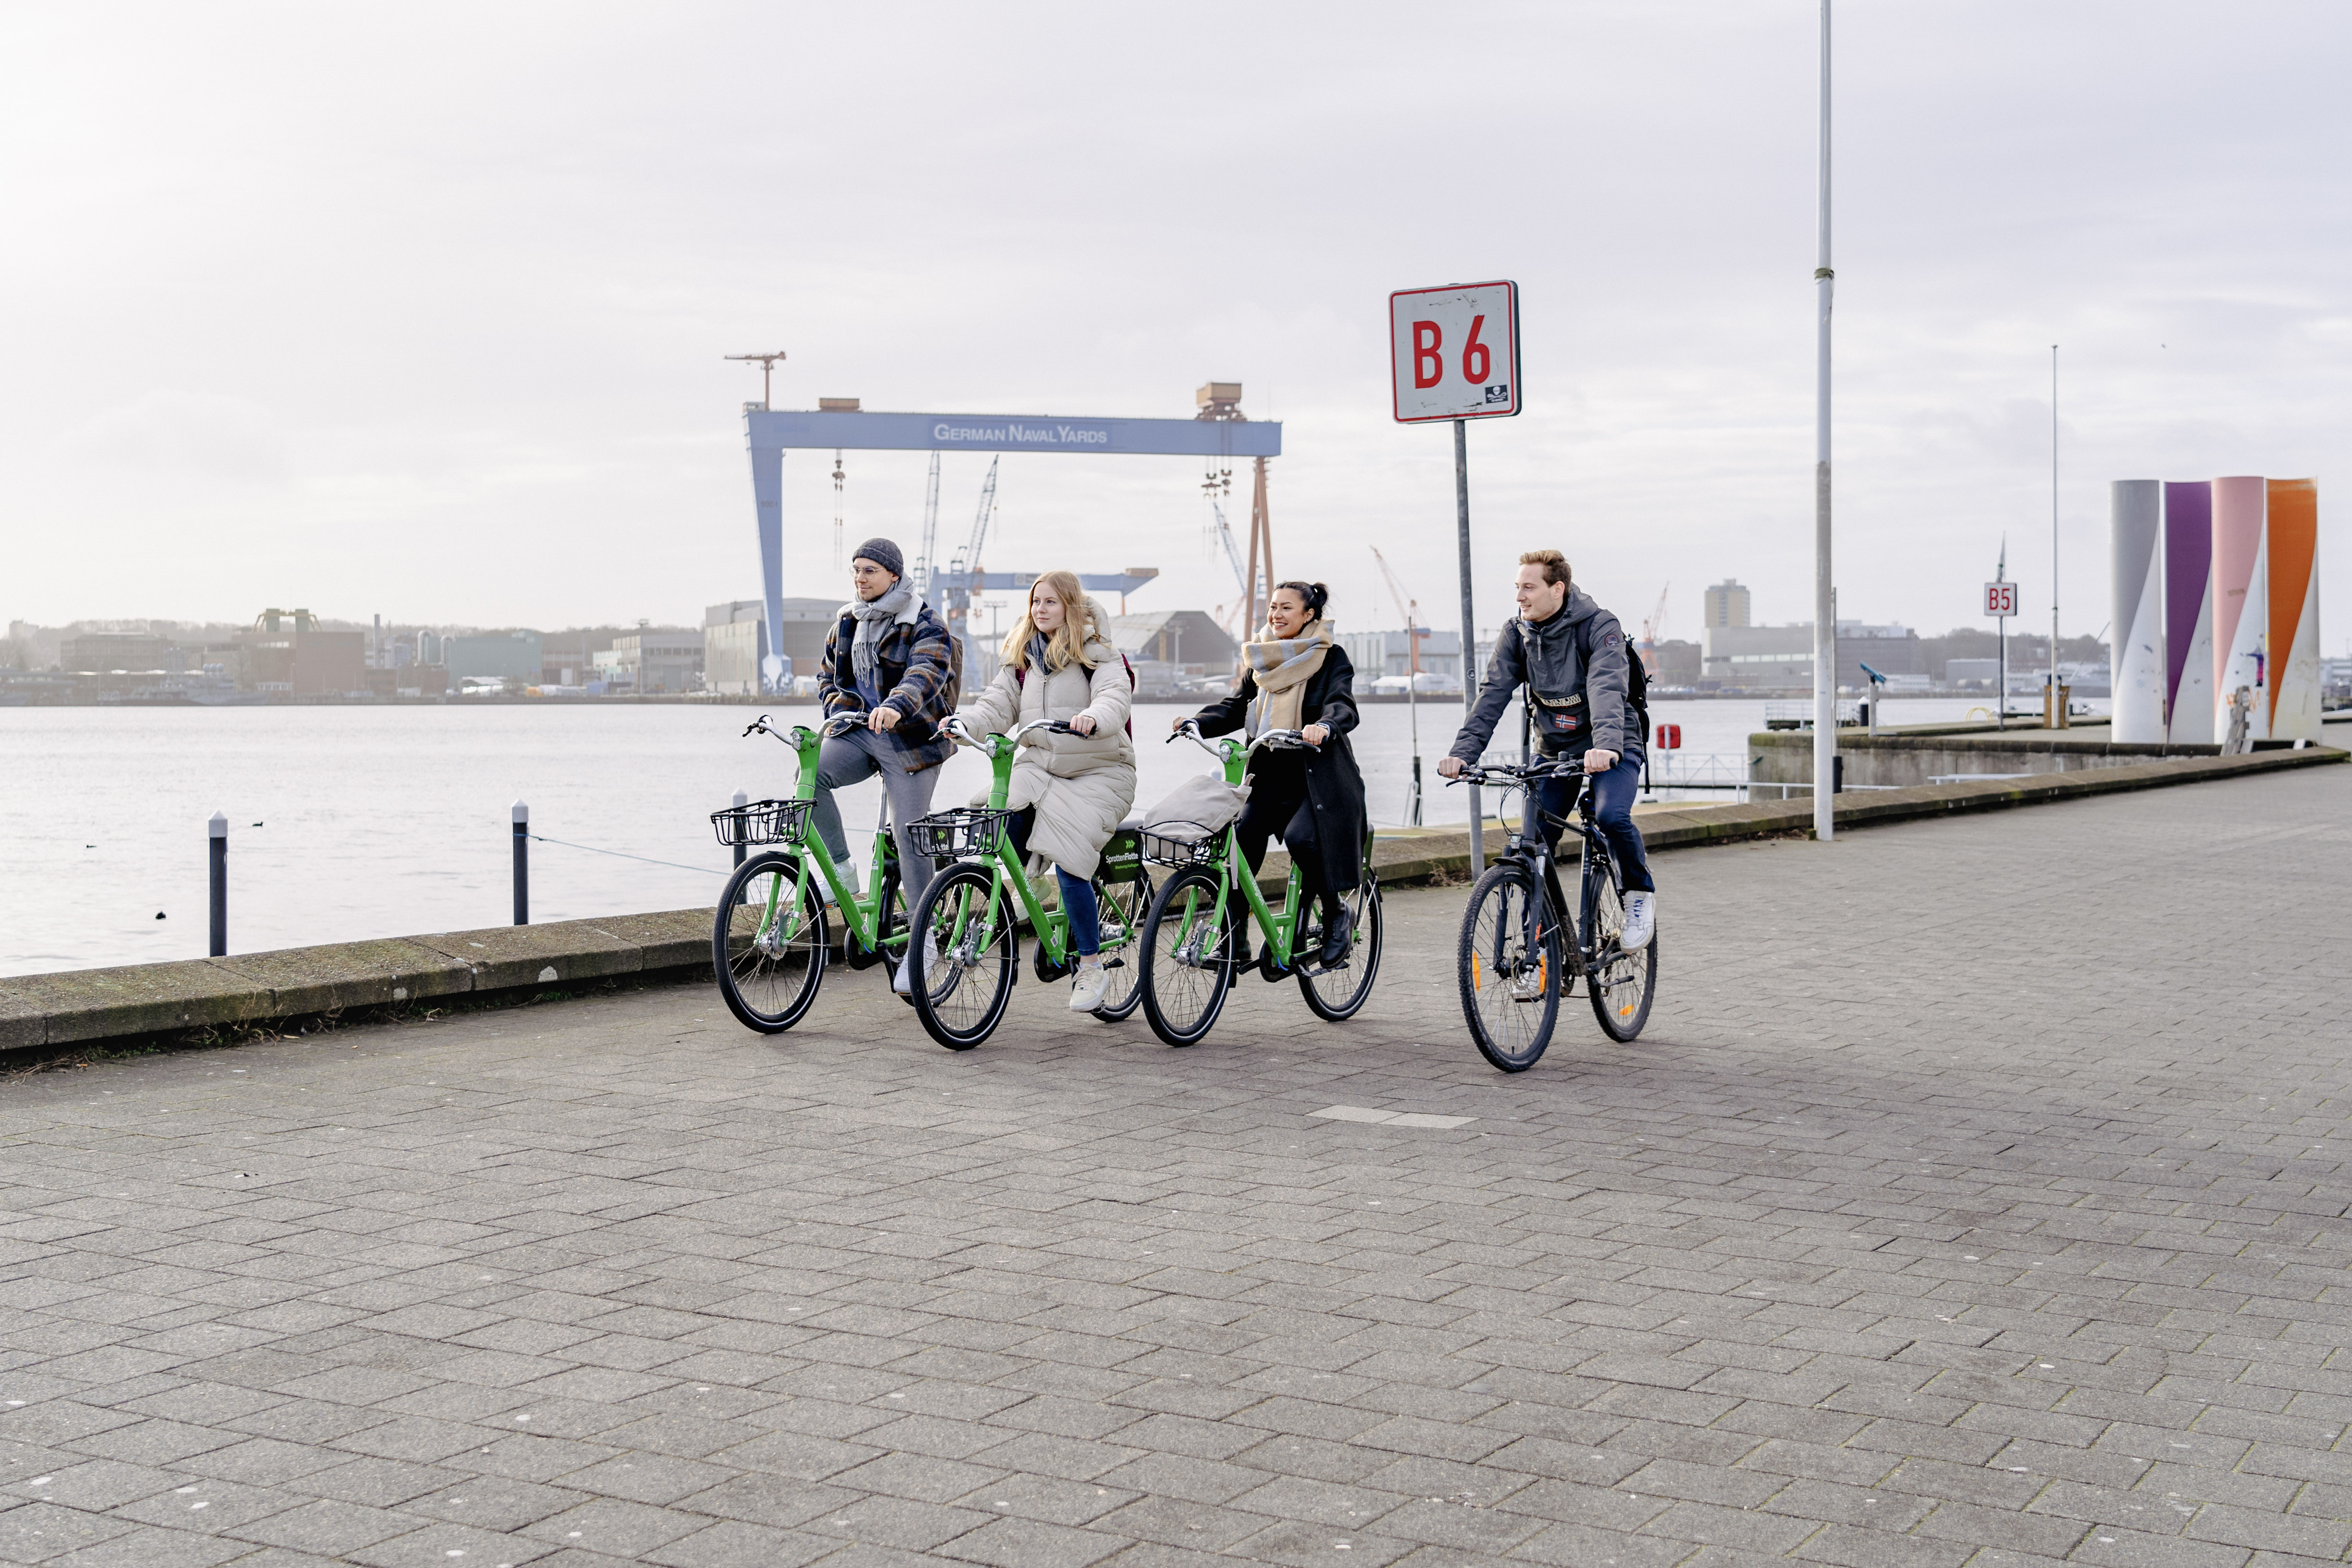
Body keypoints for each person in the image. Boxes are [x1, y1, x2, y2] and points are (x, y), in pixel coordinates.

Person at [1438, 549, 1656, 947]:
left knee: (1609, 816)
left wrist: (1605, 746)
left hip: (1612, 742)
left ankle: (1638, 896)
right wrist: (1463, 753)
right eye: (1517, 587)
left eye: (1528, 587)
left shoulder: (1598, 626)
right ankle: (1534, 946)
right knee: (1531, 843)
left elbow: (1606, 688)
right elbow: (1492, 696)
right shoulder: (1516, 634)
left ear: (1558, 589)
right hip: (1555, 747)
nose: (1519, 596)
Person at [956, 571, 1136, 1012]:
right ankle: (1029, 885)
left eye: (1051, 602)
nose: (1040, 609)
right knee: (994, 815)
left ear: (1071, 607)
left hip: (1099, 769)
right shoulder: (1023, 657)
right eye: (1036, 601)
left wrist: (1093, 717)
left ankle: (1090, 967)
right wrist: (964, 726)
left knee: (1072, 861)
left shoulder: (1100, 654)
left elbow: (1115, 696)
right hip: (1040, 765)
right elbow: (997, 704)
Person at [1182, 580, 1368, 970]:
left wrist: (1326, 726)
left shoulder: (1330, 657)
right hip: (1268, 774)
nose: (1276, 615)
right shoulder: (1261, 658)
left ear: (1309, 616)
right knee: (1239, 843)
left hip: (1315, 777)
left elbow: (1341, 703)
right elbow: (1236, 707)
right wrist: (1196, 722)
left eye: (1286, 608)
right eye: (1272, 607)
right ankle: (1235, 938)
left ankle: (1336, 912)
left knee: (1303, 839)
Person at [813, 537, 958, 994]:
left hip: (912, 740)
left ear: (893, 575)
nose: (860, 578)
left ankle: (925, 940)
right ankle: (841, 868)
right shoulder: (846, 621)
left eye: (869, 570)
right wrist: (842, 707)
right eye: (856, 570)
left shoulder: (924, 621)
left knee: (909, 834)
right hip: (862, 731)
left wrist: (897, 705)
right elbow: (826, 678)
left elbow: (927, 673)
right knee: (810, 775)